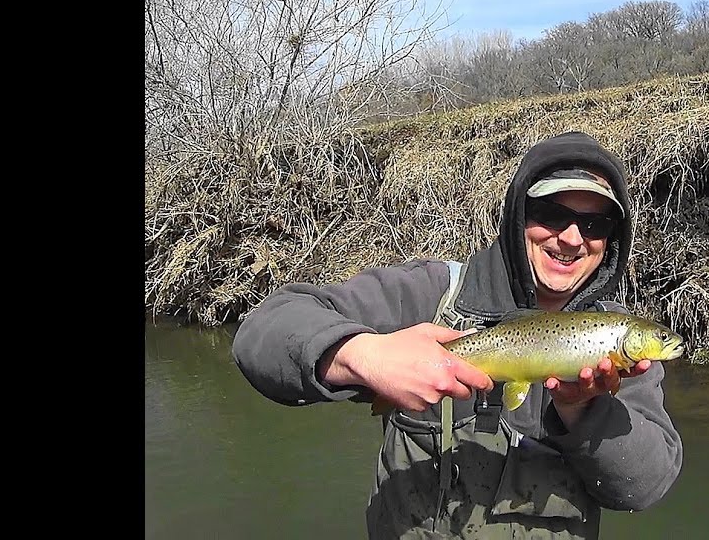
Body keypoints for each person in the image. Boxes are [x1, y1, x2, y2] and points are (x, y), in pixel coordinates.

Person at [232, 131, 683, 539]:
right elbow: (264, 330)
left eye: (594, 225)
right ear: (517, 215)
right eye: (550, 213)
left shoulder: (617, 339)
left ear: (611, 240)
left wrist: (585, 410)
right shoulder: (428, 295)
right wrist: (361, 355)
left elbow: (644, 486)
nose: (570, 238)